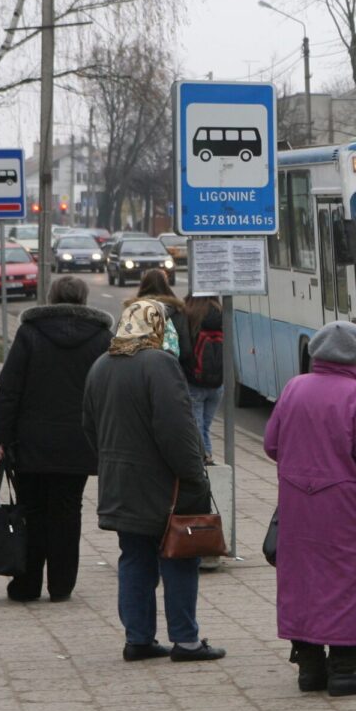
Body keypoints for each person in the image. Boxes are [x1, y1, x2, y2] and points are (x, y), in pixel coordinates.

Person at [263, 320, 356, 696]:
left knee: (302, 582)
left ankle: (309, 669)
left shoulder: (294, 388)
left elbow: (271, 444)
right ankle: (343, 670)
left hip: (298, 505)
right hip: (348, 508)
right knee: (349, 580)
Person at [82, 299, 223, 663]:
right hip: (165, 487)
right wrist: (194, 476)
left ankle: (138, 638)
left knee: (134, 558)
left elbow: (89, 426)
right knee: (179, 557)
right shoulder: (159, 364)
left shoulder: (101, 365)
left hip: (119, 483)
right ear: (158, 326)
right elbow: (177, 430)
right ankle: (186, 640)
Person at [0, 276, 113, 602]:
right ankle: (61, 585)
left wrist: (1, 436)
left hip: (30, 441)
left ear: (51, 297)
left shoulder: (29, 333)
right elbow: (109, 392)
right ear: (84, 299)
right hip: (79, 442)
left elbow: (9, 388)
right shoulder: (101, 338)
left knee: (32, 512)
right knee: (68, 513)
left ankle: (26, 585)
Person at [180, 292, 223, 463]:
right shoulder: (222, 315)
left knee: (197, 427)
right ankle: (206, 458)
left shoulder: (189, 315)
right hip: (217, 384)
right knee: (205, 427)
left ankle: (204, 460)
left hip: (195, 382)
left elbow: (184, 351)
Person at [134, 269, 188, 360]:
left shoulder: (133, 313)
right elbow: (186, 351)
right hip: (170, 368)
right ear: (166, 286)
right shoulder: (176, 313)